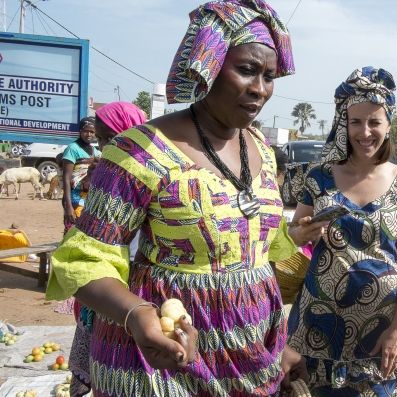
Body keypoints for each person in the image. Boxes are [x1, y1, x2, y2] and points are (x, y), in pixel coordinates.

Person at [46, 1, 307, 396]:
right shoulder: (139, 151)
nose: (260, 89)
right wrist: (136, 315)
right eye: (247, 70)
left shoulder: (262, 149)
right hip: (160, 359)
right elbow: (86, 260)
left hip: (252, 355)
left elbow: (259, 246)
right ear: (209, 66)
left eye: (270, 76)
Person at [287, 67, 397, 396]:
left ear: (388, 124)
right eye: (355, 122)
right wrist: (302, 232)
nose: (364, 132)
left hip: (382, 332)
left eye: (374, 122)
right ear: (343, 124)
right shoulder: (318, 177)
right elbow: (294, 233)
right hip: (320, 328)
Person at [66, 101, 146, 397]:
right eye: (100, 140)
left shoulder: (147, 172)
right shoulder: (105, 169)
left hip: (137, 276)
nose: (102, 146)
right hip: (107, 273)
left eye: (107, 138)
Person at [61, 117, 100, 233]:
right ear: (80, 131)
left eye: (92, 132)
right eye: (85, 131)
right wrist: (68, 206)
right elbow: (66, 178)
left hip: (87, 198)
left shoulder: (95, 151)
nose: (89, 134)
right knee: (71, 230)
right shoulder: (72, 148)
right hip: (73, 198)